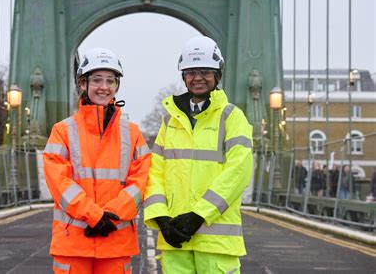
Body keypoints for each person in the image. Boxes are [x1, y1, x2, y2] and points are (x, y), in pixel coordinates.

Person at [144, 36, 253, 274]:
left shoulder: (232, 117)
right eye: (191, 72)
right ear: (184, 77)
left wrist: (199, 215)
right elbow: (155, 174)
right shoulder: (169, 122)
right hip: (176, 239)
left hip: (216, 241)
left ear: (218, 75)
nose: (198, 78)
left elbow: (238, 172)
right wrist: (162, 220)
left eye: (205, 71)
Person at [43, 48, 151, 274]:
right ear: (83, 84)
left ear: (117, 86)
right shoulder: (62, 131)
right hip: (74, 242)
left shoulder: (133, 134)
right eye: (97, 80)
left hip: (114, 241)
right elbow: (58, 182)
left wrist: (110, 215)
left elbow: (141, 181)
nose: (104, 87)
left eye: (110, 81)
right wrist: (95, 216)